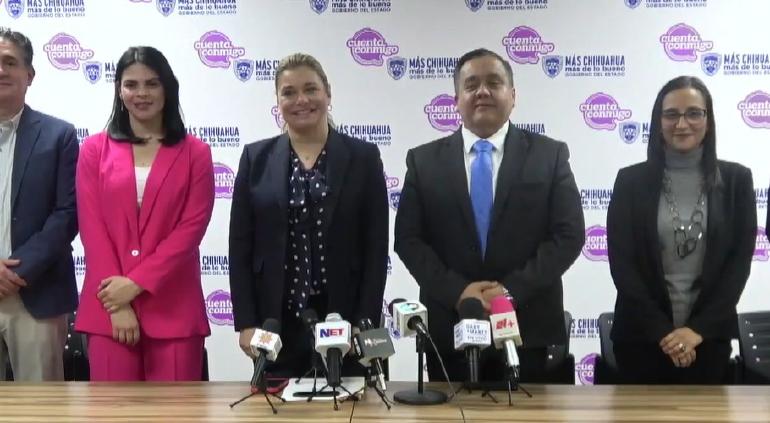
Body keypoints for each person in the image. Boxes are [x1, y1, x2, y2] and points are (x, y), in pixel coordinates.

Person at [394, 48, 585, 383]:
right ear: (456, 100)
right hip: (451, 328)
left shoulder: (549, 155)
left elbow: (568, 236)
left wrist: (509, 292)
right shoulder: (423, 162)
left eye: (494, 83)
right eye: (471, 85)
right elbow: (408, 240)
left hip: (527, 328)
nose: (482, 91)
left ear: (513, 95)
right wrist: (459, 292)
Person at [228, 53, 388, 378]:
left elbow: (376, 248)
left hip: (346, 322)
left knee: (352, 403)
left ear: (328, 93)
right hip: (277, 324)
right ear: (278, 101)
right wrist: (246, 323)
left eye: (311, 89)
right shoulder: (255, 158)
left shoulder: (364, 157)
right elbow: (240, 247)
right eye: (289, 92)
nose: (301, 100)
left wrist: (366, 319)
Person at [75, 46, 214, 381]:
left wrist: (136, 284)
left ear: (167, 88)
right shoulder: (94, 150)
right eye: (131, 84)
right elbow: (92, 229)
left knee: (175, 408)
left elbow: (190, 230)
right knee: (113, 408)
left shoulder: (196, 153)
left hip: (174, 308)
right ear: (119, 91)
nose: (141, 93)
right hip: (109, 309)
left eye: (152, 83)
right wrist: (117, 302)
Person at [607, 75, 756, 384]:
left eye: (694, 113)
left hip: (708, 342)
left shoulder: (737, 181)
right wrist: (666, 335)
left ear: (708, 120)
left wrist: (696, 331)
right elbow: (623, 267)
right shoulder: (630, 182)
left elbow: (737, 267)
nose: (682, 123)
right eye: (671, 114)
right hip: (640, 341)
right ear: (658, 121)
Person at [0, 28, 78, 381]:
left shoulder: (58, 135)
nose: (1, 70)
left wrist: (17, 272)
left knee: (41, 405)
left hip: (37, 295)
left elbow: (67, 214)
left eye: (10, 62)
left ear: (29, 75)